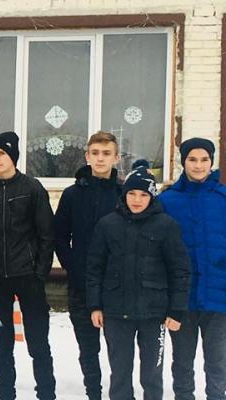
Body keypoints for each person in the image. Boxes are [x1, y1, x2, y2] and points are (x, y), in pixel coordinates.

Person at [87, 160, 190, 400]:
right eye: (132, 193)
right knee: (120, 374)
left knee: (152, 375)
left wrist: (176, 310)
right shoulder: (107, 224)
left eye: (143, 195)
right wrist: (95, 305)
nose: (136, 199)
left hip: (154, 314)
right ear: (124, 194)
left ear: (151, 197)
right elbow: (94, 268)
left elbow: (180, 270)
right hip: (116, 312)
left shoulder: (166, 226)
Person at [0, 131, 56, 400]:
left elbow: (47, 235)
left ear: (13, 156)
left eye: (2, 153)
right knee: (2, 346)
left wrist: (40, 273)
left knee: (38, 344)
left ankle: (46, 394)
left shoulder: (32, 189)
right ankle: (6, 394)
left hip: (29, 278)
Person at [53, 131, 121, 400]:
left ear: (116, 157)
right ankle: (93, 393)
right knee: (88, 348)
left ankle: (119, 394)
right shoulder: (72, 195)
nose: (100, 158)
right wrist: (73, 266)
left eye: (106, 153)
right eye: (95, 153)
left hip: (117, 286)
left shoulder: (124, 194)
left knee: (119, 350)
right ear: (87, 156)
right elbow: (59, 235)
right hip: (81, 284)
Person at [158, 138, 226, 400]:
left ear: (212, 162)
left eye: (204, 160)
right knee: (182, 362)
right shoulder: (167, 201)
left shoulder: (222, 198)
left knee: (217, 362)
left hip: (218, 297)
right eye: (192, 159)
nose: (198, 165)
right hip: (182, 299)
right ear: (183, 162)